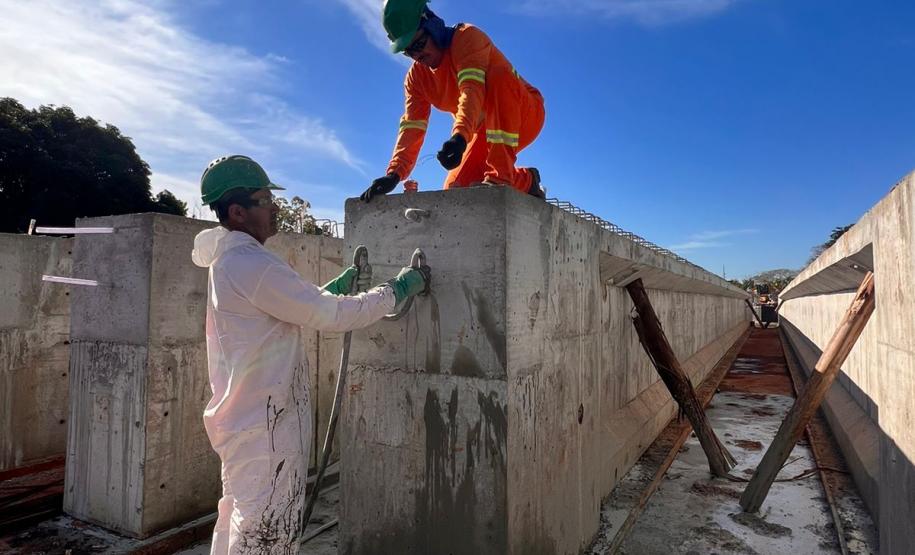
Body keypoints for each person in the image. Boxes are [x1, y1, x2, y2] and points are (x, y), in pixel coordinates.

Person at [191, 155, 430, 553]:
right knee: (266, 538)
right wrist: (395, 291)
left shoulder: (232, 261)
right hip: (265, 432)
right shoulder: (249, 263)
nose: (274, 207)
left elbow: (285, 311)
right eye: (264, 199)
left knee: (238, 526)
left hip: (248, 424)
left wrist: (333, 288)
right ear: (237, 211)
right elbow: (329, 316)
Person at [361, 0, 546, 202]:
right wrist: (394, 173)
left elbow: (471, 89)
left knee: (499, 75)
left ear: (432, 25)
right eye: (408, 51)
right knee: (457, 189)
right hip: (485, 129)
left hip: (525, 113)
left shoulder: (467, 38)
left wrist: (459, 137)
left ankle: (501, 177)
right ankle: (528, 181)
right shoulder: (416, 79)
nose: (417, 55)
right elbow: (412, 126)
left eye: (419, 44)